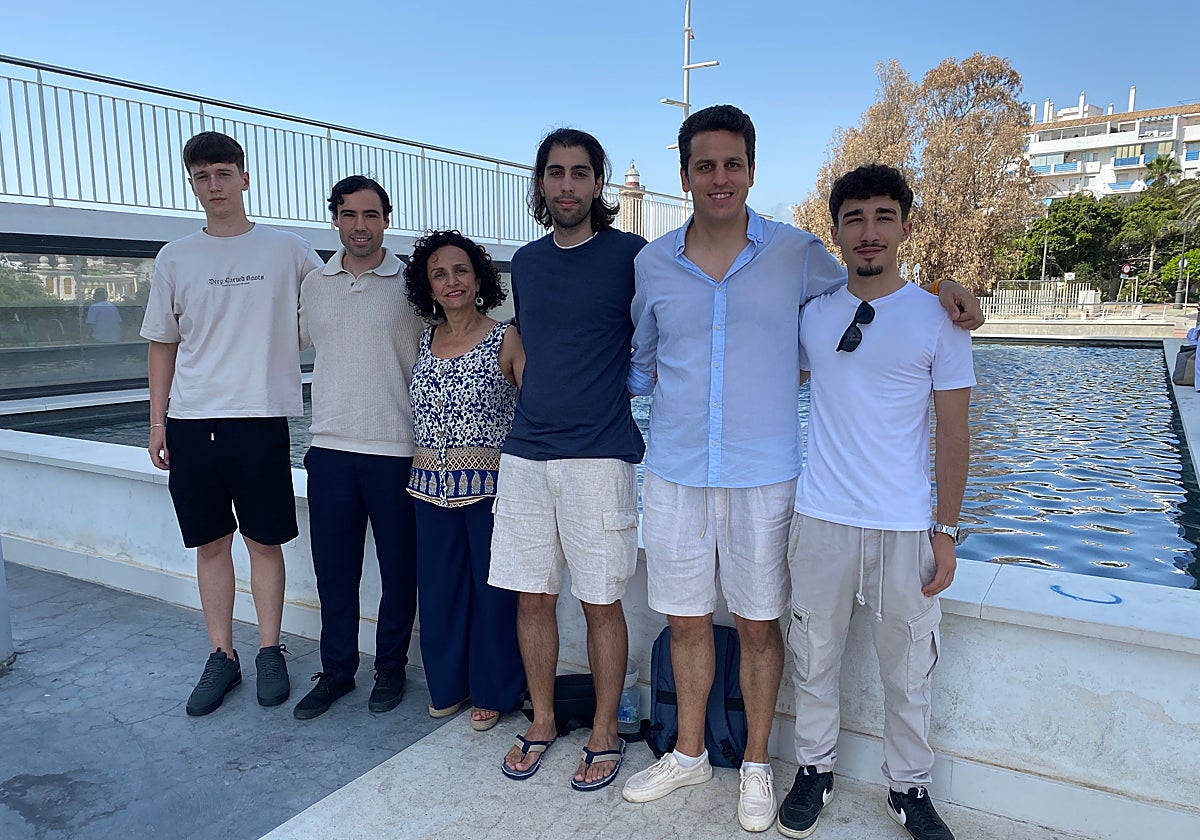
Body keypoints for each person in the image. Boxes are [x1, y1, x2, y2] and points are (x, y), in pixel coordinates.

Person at [623, 106, 982, 832]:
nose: (720, 177)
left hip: (770, 476)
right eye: (704, 165)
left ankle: (764, 766)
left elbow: (878, 282)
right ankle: (691, 754)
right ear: (684, 175)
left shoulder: (797, 253)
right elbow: (641, 359)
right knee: (691, 623)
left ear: (752, 171)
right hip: (677, 473)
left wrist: (950, 288)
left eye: (732, 164)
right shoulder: (651, 263)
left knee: (766, 629)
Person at [776, 164, 972, 840]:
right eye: (854, 218)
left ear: (904, 227)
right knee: (812, 658)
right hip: (820, 519)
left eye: (883, 216)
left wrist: (946, 529)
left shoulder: (940, 319)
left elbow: (954, 431)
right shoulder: (813, 316)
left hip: (904, 526)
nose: (869, 231)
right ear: (835, 231)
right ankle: (814, 770)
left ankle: (909, 787)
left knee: (910, 670)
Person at [140, 131, 322, 716]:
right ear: (192, 185)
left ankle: (270, 649)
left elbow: (334, 301)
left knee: (264, 542)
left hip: (260, 418)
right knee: (210, 543)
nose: (214, 185)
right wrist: (158, 422)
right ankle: (223, 655)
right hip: (191, 420)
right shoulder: (175, 257)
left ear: (244, 178)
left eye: (223, 173)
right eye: (202, 177)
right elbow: (163, 343)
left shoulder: (286, 250)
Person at [489, 128, 646, 791]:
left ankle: (605, 730)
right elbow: (532, 339)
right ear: (541, 183)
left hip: (600, 458)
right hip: (526, 455)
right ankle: (545, 720)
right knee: (532, 598)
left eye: (580, 173)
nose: (567, 185)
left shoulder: (632, 256)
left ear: (598, 184)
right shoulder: (525, 263)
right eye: (555, 173)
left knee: (601, 602)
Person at [291, 176, 422, 720]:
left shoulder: (413, 283)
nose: (360, 226)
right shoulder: (314, 284)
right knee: (335, 574)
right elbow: (286, 341)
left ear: (387, 219)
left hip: (397, 450)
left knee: (400, 573)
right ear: (335, 220)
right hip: (330, 449)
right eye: (349, 215)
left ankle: (390, 667)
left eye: (370, 215)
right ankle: (337, 672)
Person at [403, 229, 526, 731]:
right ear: (428, 287)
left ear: (478, 279)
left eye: (460, 270)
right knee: (438, 593)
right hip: (427, 489)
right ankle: (448, 684)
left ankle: (494, 689)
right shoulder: (423, 340)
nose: (451, 281)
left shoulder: (507, 337)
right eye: (439, 274)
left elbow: (535, 410)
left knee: (493, 595)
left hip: (490, 492)